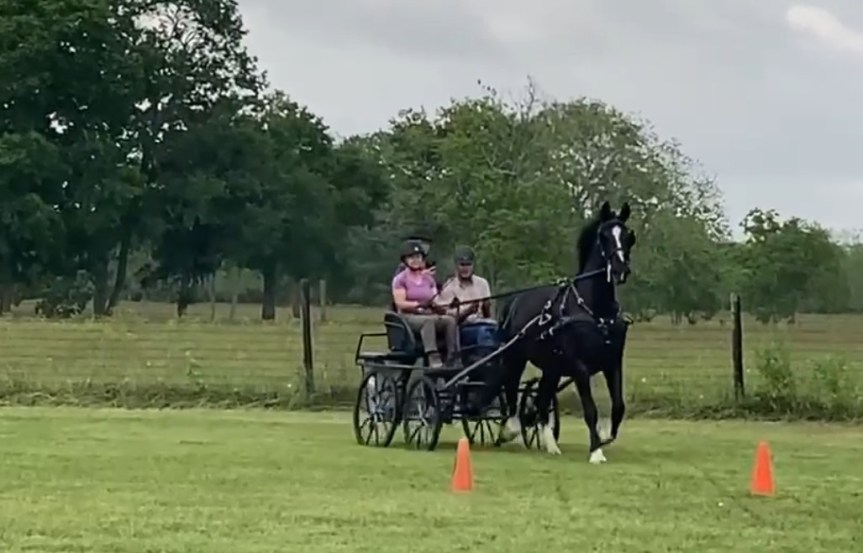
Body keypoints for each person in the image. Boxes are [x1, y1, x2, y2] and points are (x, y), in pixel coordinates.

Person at [391, 240, 460, 369]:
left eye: (418, 257)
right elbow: (400, 303)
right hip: (408, 317)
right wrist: (418, 304)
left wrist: (443, 306)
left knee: (450, 321)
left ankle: (452, 356)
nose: (415, 260)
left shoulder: (428, 279)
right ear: (405, 260)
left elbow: (435, 298)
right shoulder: (400, 279)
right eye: (411, 257)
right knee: (428, 322)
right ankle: (433, 356)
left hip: (428, 313)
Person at [436, 246, 492, 324]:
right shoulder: (449, 286)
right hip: (462, 326)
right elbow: (445, 315)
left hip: (482, 322)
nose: (465, 268)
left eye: (468, 264)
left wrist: (486, 306)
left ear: (473, 265)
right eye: (462, 265)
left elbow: (488, 313)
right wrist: (467, 312)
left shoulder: (482, 283)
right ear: (456, 265)